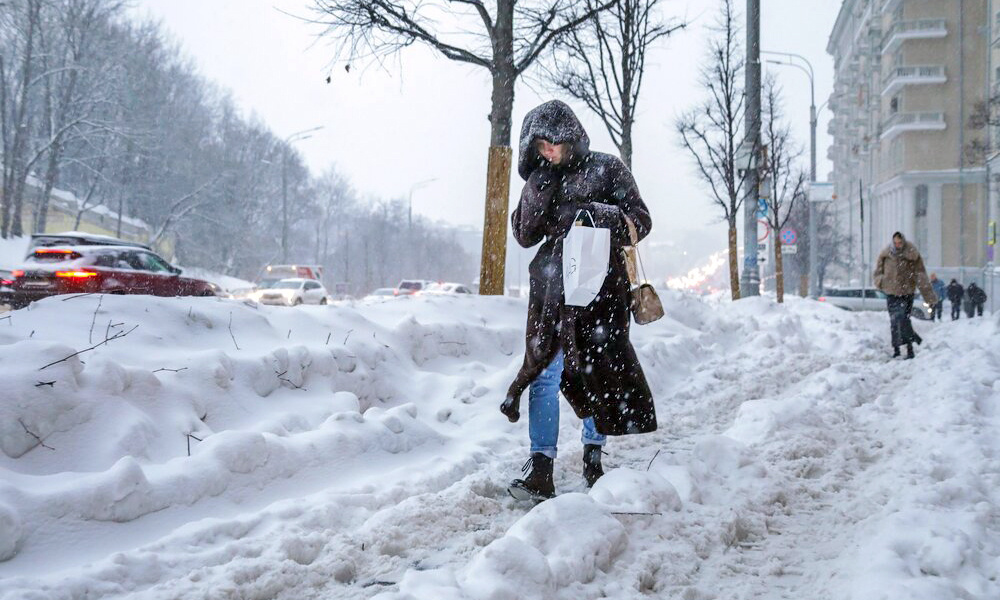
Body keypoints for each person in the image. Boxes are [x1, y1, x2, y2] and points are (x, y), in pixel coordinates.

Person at [500, 100, 656, 500]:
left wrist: (598, 216)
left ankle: (593, 454)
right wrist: (538, 187)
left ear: (572, 137)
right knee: (543, 374)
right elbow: (524, 235)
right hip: (551, 293)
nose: (550, 150)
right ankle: (540, 467)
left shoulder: (607, 168)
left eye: (556, 143)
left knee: (596, 369)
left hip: (600, 290)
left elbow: (640, 220)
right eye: (541, 146)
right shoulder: (538, 178)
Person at [873, 232, 936, 359]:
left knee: (903, 319)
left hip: (907, 292)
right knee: (894, 320)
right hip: (891, 292)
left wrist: (929, 297)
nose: (897, 245)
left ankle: (910, 348)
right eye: (895, 243)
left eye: (900, 243)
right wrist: (881, 282)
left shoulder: (911, 254)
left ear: (904, 242)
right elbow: (878, 271)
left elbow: (921, 275)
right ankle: (896, 349)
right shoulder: (886, 255)